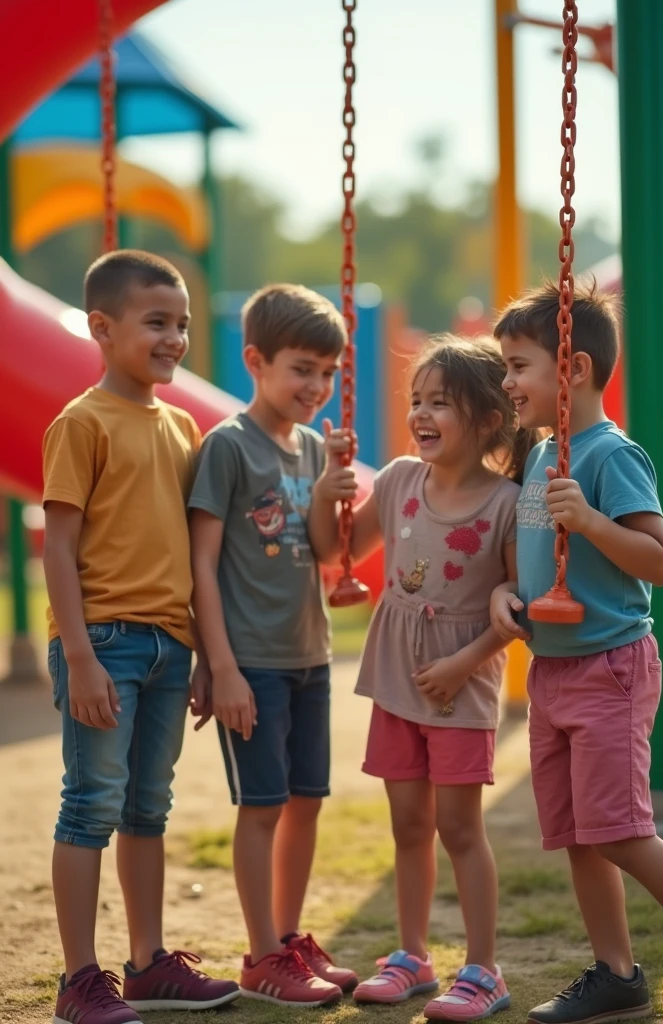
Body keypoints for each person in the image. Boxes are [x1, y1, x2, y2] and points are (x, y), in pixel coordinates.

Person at [310, 335, 538, 1021]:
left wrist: (462, 665)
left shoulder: (507, 502)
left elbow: (518, 608)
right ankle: (411, 956)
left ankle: (483, 969)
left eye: (442, 402)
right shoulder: (402, 479)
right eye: (418, 401)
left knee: (459, 828)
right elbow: (333, 549)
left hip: (460, 681)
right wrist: (328, 487)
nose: (423, 413)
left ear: (490, 419)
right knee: (408, 823)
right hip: (398, 673)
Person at [43, 250, 239, 1024]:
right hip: (104, 645)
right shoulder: (80, 423)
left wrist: (193, 650)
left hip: (167, 647)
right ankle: (79, 980)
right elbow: (59, 546)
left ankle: (150, 964)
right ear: (101, 327)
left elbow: (184, 551)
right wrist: (82, 657)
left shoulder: (182, 425)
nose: (175, 338)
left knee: (147, 809)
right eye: (157, 322)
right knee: (91, 804)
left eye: (182, 324)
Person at [490, 280, 663, 1024]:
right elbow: (532, 558)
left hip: (609, 668)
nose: (507, 382)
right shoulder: (542, 456)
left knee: (626, 835)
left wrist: (597, 523)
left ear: (569, 369)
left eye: (518, 366)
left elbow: (659, 561)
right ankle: (617, 974)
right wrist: (505, 596)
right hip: (554, 671)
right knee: (580, 835)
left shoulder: (611, 454)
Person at [188, 283, 357, 1008]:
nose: (316, 387)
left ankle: (288, 940)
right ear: (256, 361)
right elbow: (200, 563)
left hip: (308, 654)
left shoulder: (314, 445)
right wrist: (219, 665)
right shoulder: (227, 446)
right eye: (301, 369)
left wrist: (329, 492)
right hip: (250, 660)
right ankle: (261, 956)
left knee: (306, 801)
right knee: (261, 807)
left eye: (327, 373)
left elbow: (322, 550)